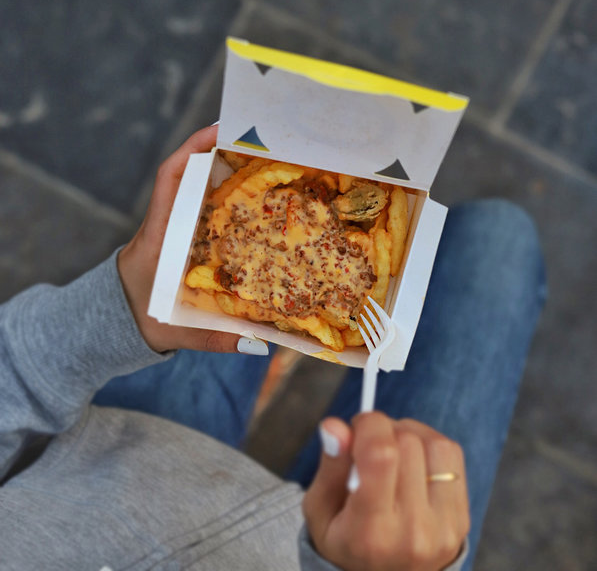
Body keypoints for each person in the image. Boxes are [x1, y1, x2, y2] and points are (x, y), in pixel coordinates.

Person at [0, 126, 546, 570]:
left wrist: (116, 310)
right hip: (346, 552)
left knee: (497, 240)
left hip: (126, 446)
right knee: (499, 241)